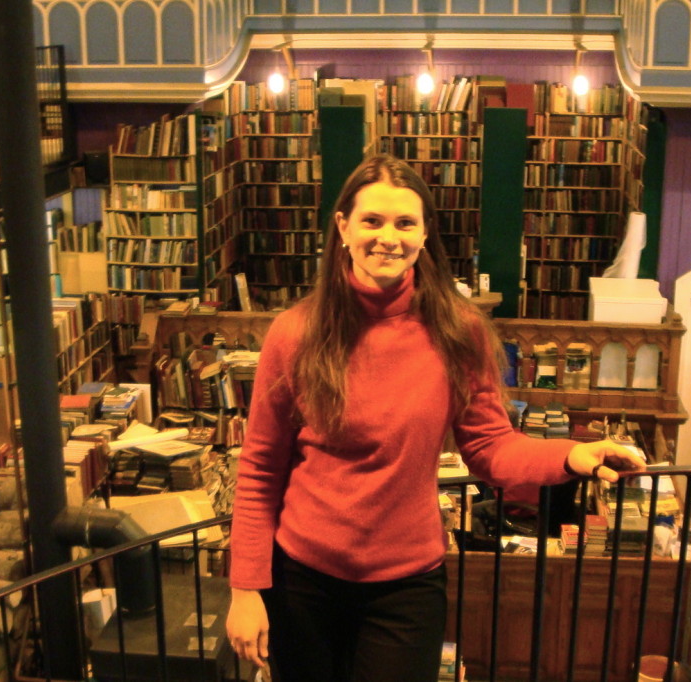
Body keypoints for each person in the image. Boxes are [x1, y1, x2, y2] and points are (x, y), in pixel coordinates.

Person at [225, 153, 645, 681]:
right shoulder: (296, 333)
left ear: (424, 235)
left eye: (405, 222)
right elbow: (261, 467)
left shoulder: (456, 330)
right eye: (372, 220)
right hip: (302, 583)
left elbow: (491, 446)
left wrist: (571, 456)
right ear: (343, 227)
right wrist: (246, 588)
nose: (388, 237)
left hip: (406, 586)